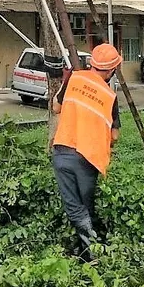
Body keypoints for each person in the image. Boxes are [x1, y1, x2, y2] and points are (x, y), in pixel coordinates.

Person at [51, 42, 122, 261]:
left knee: (75, 207)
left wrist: (64, 83)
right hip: (87, 159)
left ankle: (85, 252)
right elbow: (115, 136)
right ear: (110, 71)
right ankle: (91, 254)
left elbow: (56, 107)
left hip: (63, 151)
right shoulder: (109, 96)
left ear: (92, 63)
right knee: (84, 206)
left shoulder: (74, 78)